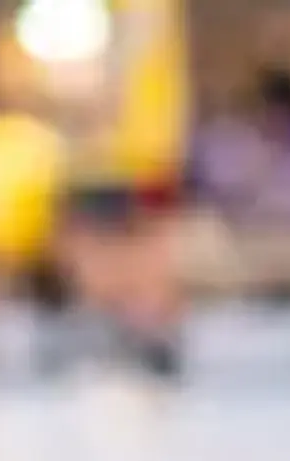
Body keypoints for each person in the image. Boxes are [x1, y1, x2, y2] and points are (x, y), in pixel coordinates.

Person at [45, 0, 191, 375]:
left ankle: (142, 330)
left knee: (131, 246)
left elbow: (107, 75)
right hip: (123, 150)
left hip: (131, 150)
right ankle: (125, 329)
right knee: (112, 246)